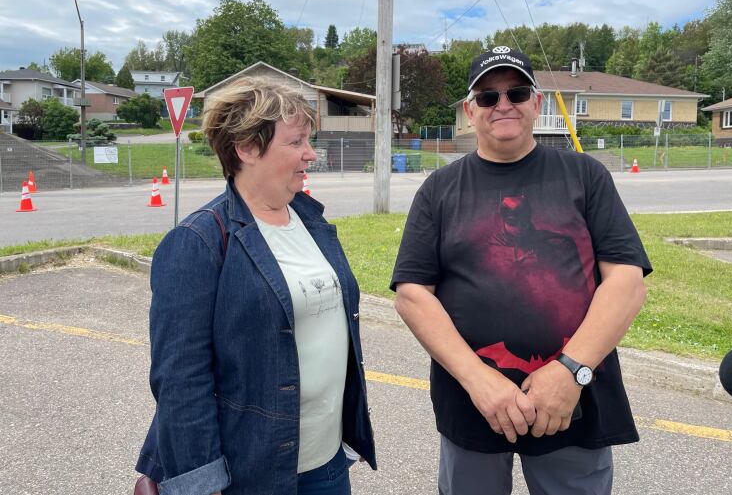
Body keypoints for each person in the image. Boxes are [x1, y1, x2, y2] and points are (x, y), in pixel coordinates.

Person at [391, 46, 652, 495]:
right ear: (471, 112)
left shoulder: (584, 175)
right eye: (488, 97)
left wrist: (571, 371)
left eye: (516, 91)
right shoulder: (440, 190)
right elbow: (413, 294)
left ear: (535, 102)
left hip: (572, 402)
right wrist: (479, 380)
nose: (503, 104)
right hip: (473, 403)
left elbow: (626, 281)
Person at [135, 78, 376, 495]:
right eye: (297, 141)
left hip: (329, 463)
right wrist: (201, 483)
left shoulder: (313, 223)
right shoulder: (199, 241)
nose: (311, 154)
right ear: (246, 148)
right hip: (249, 475)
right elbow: (180, 380)